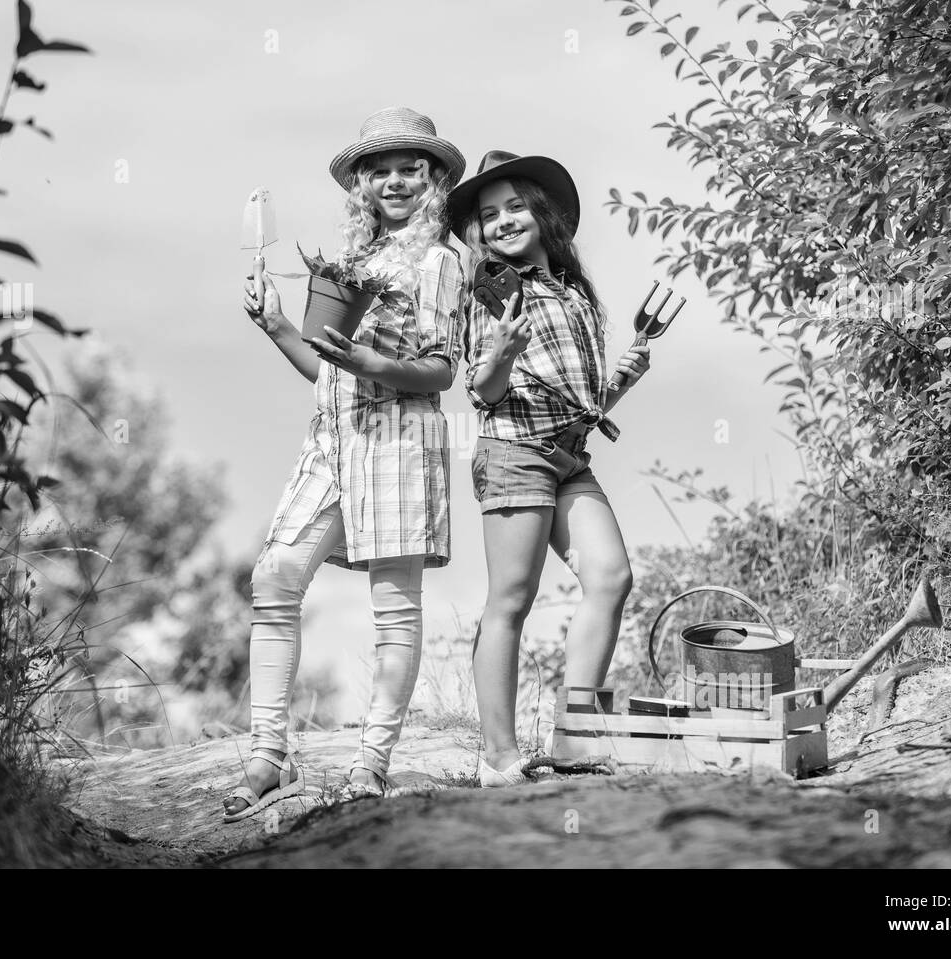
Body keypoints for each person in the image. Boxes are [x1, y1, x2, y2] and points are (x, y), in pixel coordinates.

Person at [224, 108, 466, 822]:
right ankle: (269, 756)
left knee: (393, 607)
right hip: (331, 439)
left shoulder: (439, 261)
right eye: (379, 169)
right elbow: (325, 370)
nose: (394, 180)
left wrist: (370, 361)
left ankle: (371, 763)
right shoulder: (350, 265)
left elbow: (441, 372)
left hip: (397, 437)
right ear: (361, 184)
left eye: (409, 168)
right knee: (275, 576)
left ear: (434, 179)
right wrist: (273, 323)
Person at [450, 150, 650, 787]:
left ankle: (574, 734)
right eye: (489, 214)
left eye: (515, 207)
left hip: (568, 456)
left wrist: (622, 381)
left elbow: (579, 401)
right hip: (516, 453)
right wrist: (501, 356)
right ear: (478, 232)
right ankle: (499, 755)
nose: (503, 220)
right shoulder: (490, 292)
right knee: (512, 599)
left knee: (611, 577)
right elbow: (483, 391)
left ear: (544, 215)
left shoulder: (574, 294)